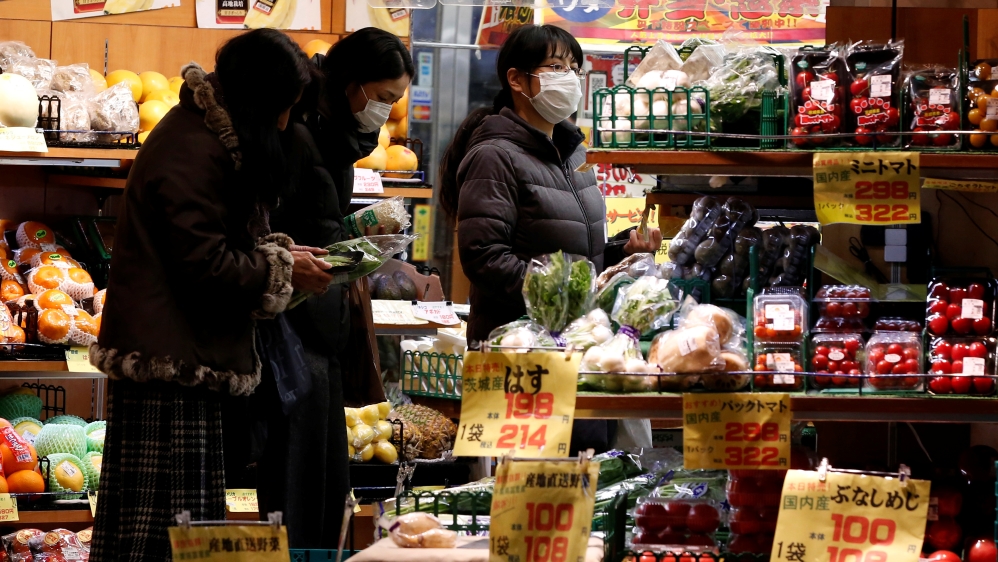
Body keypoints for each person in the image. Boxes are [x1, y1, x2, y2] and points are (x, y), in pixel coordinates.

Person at [89, 29, 333, 561]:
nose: (285, 124)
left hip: (184, 355)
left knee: (170, 530)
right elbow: (204, 263)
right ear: (258, 99)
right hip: (172, 368)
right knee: (166, 535)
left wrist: (278, 255)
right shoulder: (193, 151)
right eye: (283, 109)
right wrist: (282, 268)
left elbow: (214, 244)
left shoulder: (206, 139)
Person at [438, 24, 662, 453]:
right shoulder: (494, 156)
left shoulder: (572, 152)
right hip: (517, 357)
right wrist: (568, 291)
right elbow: (483, 256)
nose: (570, 78)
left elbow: (569, 247)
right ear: (517, 80)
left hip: (574, 349)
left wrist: (620, 249)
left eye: (574, 69)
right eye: (556, 67)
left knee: (580, 491)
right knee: (521, 498)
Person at [262, 27, 414, 548]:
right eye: (385, 98)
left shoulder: (335, 135)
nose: (387, 111)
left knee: (318, 481)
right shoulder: (307, 135)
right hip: (296, 323)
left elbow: (322, 225)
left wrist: (360, 235)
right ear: (353, 85)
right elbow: (301, 232)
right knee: (299, 482)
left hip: (317, 318)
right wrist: (351, 242)